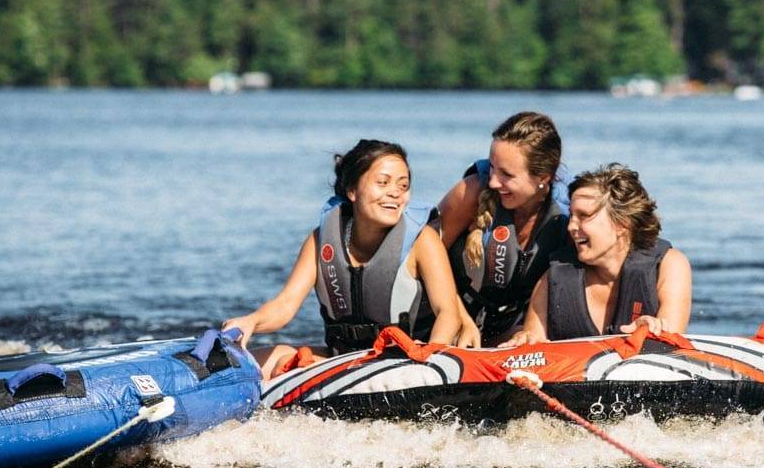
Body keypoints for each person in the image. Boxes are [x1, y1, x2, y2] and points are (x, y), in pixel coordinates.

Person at [223, 139, 461, 378]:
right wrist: (251, 322)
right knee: (259, 361)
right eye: (383, 182)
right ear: (352, 191)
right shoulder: (321, 240)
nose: (395, 193)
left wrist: (428, 357)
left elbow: (448, 313)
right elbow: (285, 305)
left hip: (406, 359)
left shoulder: (422, 241)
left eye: (404, 185)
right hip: (343, 358)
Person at [504, 164, 691, 344]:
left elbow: (671, 342)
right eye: (571, 216)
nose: (570, 226)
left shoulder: (669, 266)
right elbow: (531, 350)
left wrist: (654, 333)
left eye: (584, 216)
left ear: (622, 223)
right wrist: (525, 340)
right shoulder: (552, 280)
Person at [436, 112, 572, 347]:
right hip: (451, 313)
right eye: (492, 168)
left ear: (543, 177)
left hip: (514, 325)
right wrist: (460, 318)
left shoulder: (568, 213)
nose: (493, 182)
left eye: (506, 175)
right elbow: (426, 256)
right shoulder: (470, 192)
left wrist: (530, 330)